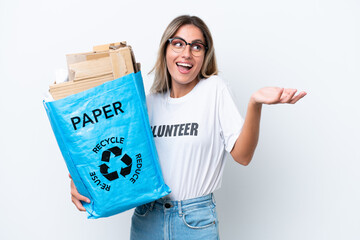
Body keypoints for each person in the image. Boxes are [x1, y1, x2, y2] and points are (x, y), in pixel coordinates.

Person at [70, 15, 306, 239]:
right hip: (146, 218)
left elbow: (243, 156)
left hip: (194, 222)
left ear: (205, 55)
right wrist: (78, 179)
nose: (187, 53)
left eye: (196, 46)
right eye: (178, 44)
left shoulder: (215, 90)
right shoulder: (148, 103)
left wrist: (255, 104)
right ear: (165, 50)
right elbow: (110, 149)